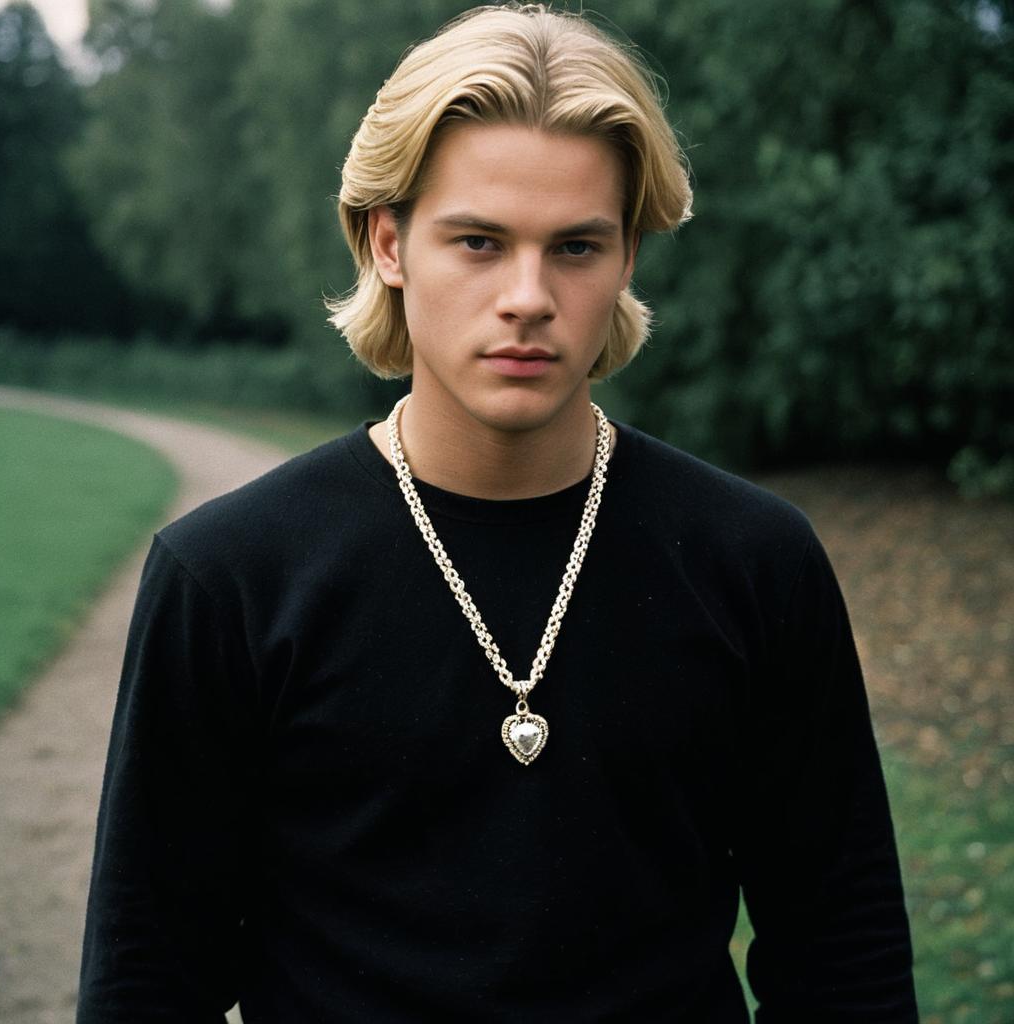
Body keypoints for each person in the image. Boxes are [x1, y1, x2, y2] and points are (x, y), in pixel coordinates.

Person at [77, 4, 918, 1021]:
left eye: (575, 247)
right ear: (388, 243)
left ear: (625, 262)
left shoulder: (753, 561)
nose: (528, 295)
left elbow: (842, 956)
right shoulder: (230, 577)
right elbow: (148, 978)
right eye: (478, 241)